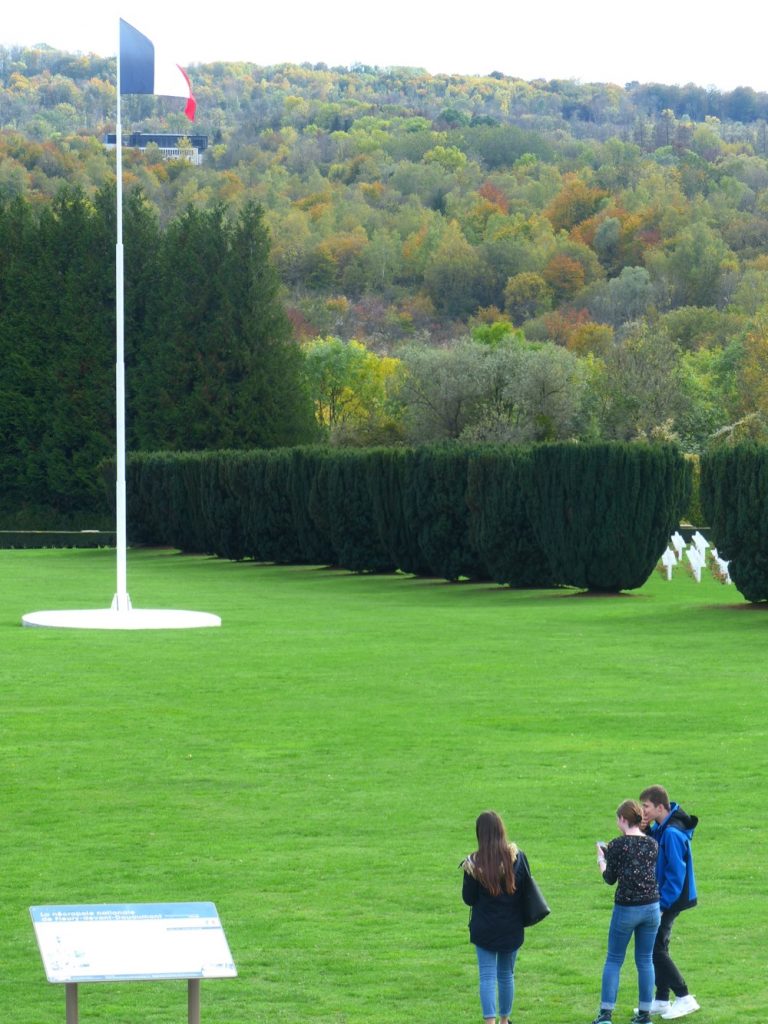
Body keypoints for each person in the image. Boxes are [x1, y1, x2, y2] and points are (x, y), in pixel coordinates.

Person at [591, 799, 661, 1024]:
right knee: (645, 960)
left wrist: (602, 858)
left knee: (614, 960)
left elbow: (609, 878)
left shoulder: (617, 845)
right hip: (652, 907)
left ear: (623, 819)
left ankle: (605, 1015)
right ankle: (644, 1015)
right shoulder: (652, 844)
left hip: (627, 908)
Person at [460, 811, 527, 1024]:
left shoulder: (474, 863)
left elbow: (468, 899)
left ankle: (490, 1023)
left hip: (484, 928)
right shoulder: (517, 858)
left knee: (487, 977)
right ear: (501, 831)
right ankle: (505, 1020)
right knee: (506, 975)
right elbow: (525, 889)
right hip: (511, 926)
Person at [639, 785, 699, 1019]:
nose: (642, 810)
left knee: (655, 949)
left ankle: (684, 996)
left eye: (646, 806)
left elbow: (675, 874)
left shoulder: (672, 834)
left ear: (660, 807)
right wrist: (645, 831)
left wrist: (662, 905)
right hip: (667, 896)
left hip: (670, 898)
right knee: (658, 946)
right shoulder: (663, 827)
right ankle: (662, 999)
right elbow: (655, 847)